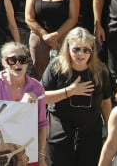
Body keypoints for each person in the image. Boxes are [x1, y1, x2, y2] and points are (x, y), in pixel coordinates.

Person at [42, 27, 112, 166]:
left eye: (86, 50)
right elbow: (41, 97)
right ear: (68, 48)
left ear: (92, 51)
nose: (81, 54)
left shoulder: (100, 70)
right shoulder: (56, 67)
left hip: (90, 131)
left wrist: (111, 130)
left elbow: (105, 102)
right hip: (60, 129)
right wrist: (70, 91)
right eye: (76, 49)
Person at [0, 42, 48, 166]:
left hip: (27, 147)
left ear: (27, 62)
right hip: (0, 148)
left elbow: (42, 124)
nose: (17, 63)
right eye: (12, 60)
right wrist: (21, 106)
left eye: (22, 59)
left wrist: (41, 155)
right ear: (4, 62)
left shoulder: (37, 87)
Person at [26, 0, 80, 79]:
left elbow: (73, 17)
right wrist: (45, 35)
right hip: (40, 36)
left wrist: (56, 35)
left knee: (65, 71)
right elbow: (29, 18)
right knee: (38, 72)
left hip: (64, 35)